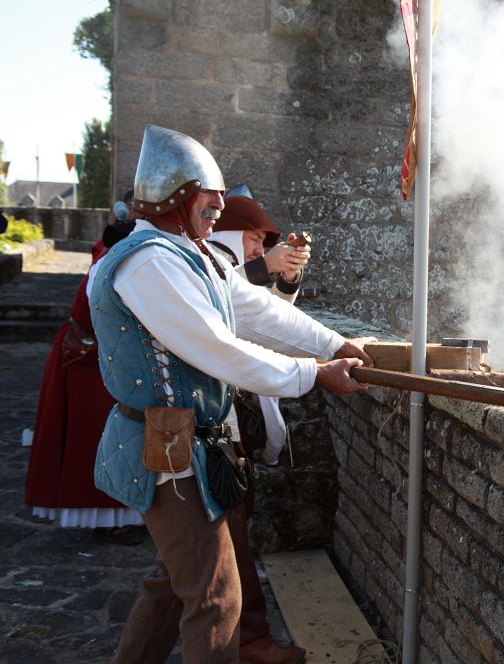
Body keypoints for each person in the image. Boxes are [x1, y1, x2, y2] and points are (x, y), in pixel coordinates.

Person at [90, 125, 374, 663]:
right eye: (209, 196)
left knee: (174, 583)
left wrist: (336, 342)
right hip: (167, 449)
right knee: (217, 598)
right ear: (176, 198)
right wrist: (314, 374)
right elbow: (217, 350)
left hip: (192, 444)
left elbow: (258, 311)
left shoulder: (193, 255)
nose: (222, 206)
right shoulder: (149, 262)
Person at [204, 187, 312, 663]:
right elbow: (225, 301)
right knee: (228, 540)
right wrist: (266, 268)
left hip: (229, 422)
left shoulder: (229, 266)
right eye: (252, 240)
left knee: (214, 546)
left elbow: (271, 318)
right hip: (212, 425)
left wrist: (285, 278)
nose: (257, 249)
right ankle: (249, 639)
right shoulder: (205, 264)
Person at [24, 210, 145, 545]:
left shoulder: (113, 263)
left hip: (98, 357)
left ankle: (122, 514)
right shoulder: (108, 267)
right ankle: (109, 518)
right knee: (94, 437)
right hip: (87, 360)